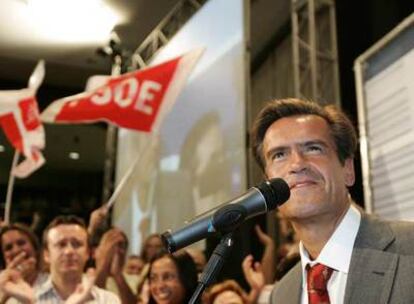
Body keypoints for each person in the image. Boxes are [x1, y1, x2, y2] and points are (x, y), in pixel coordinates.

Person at [251, 98, 414, 303]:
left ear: (347, 168)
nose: (297, 164)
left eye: (313, 148)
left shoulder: (409, 249)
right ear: (268, 182)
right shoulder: (281, 294)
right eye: (279, 154)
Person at [37, 215, 120, 303]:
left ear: (88, 253)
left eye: (76, 244)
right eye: (61, 244)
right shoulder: (30, 299)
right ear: (46, 254)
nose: (69, 251)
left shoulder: (107, 300)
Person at [0, 223, 48, 303]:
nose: (16, 250)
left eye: (21, 243)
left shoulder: (55, 283)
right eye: (8, 248)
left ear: (35, 249)